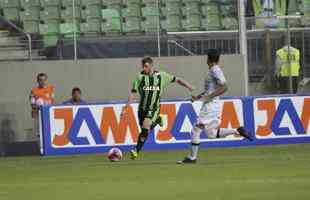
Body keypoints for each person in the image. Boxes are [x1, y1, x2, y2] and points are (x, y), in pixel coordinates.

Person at [177, 49, 253, 164]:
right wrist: (197, 97)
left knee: (196, 130)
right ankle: (236, 130)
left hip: (210, 106)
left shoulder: (215, 70)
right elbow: (209, 90)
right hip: (212, 104)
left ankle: (192, 158)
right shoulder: (213, 70)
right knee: (211, 134)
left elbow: (224, 87)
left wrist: (209, 97)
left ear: (208, 59)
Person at [121, 56, 195, 160]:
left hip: (154, 108)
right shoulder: (139, 77)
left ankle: (136, 151)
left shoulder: (162, 76)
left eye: (146, 66)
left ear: (151, 65)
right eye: (143, 66)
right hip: (142, 109)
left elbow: (177, 79)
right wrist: (126, 107)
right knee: (144, 130)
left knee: (145, 128)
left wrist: (189, 86)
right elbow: (133, 93)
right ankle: (157, 120)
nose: (144, 68)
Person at [29, 73, 55, 137]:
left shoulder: (50, 89)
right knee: (40, 135)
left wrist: (46, 105)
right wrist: (38, 107)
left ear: (46, 80)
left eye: (44, 80)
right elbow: (32, 104)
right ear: (37, 81)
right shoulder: (33, 91)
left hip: (48, 115)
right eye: (40, 80)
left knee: (49, 134)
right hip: (38, 115)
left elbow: (52, 102)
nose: (42, 82)